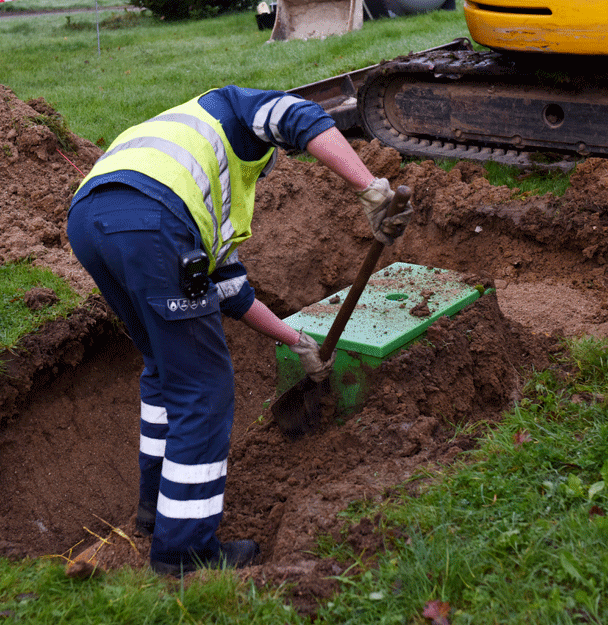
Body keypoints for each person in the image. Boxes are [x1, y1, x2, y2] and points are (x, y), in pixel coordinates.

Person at [66, 85, 412, 576]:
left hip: (90, 220)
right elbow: (302, 115)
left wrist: (298, 342)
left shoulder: (194, 175)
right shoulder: (233, 107)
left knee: (165, 373)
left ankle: (154, 514)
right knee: (203, 389)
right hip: (151, 222)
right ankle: (184, 555)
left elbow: (232, 294)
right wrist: (370, 189)